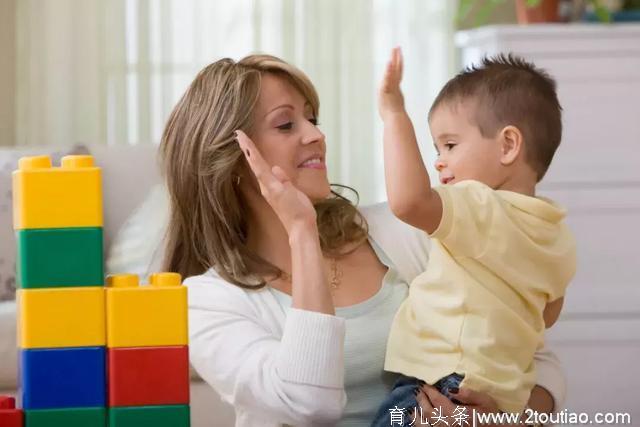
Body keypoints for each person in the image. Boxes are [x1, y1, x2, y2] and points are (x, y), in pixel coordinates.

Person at [159, 54, 567, 427]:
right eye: (286, 124)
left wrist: (509, 421)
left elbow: (534, 354)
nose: (315, 135)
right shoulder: (206, 302)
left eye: (312, 119)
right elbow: (309, 403)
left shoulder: (401, 232)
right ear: (234, 162)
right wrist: (302, 232)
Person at [371, 48, 576, 426]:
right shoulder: (557, 233)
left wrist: (394, 113)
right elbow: (546, 315)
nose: (439, 161)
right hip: (503, 399)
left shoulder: (477, 203)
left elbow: (409, 201)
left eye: (449, 145)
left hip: (439, 390)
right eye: (436, 149)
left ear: (508, 145)